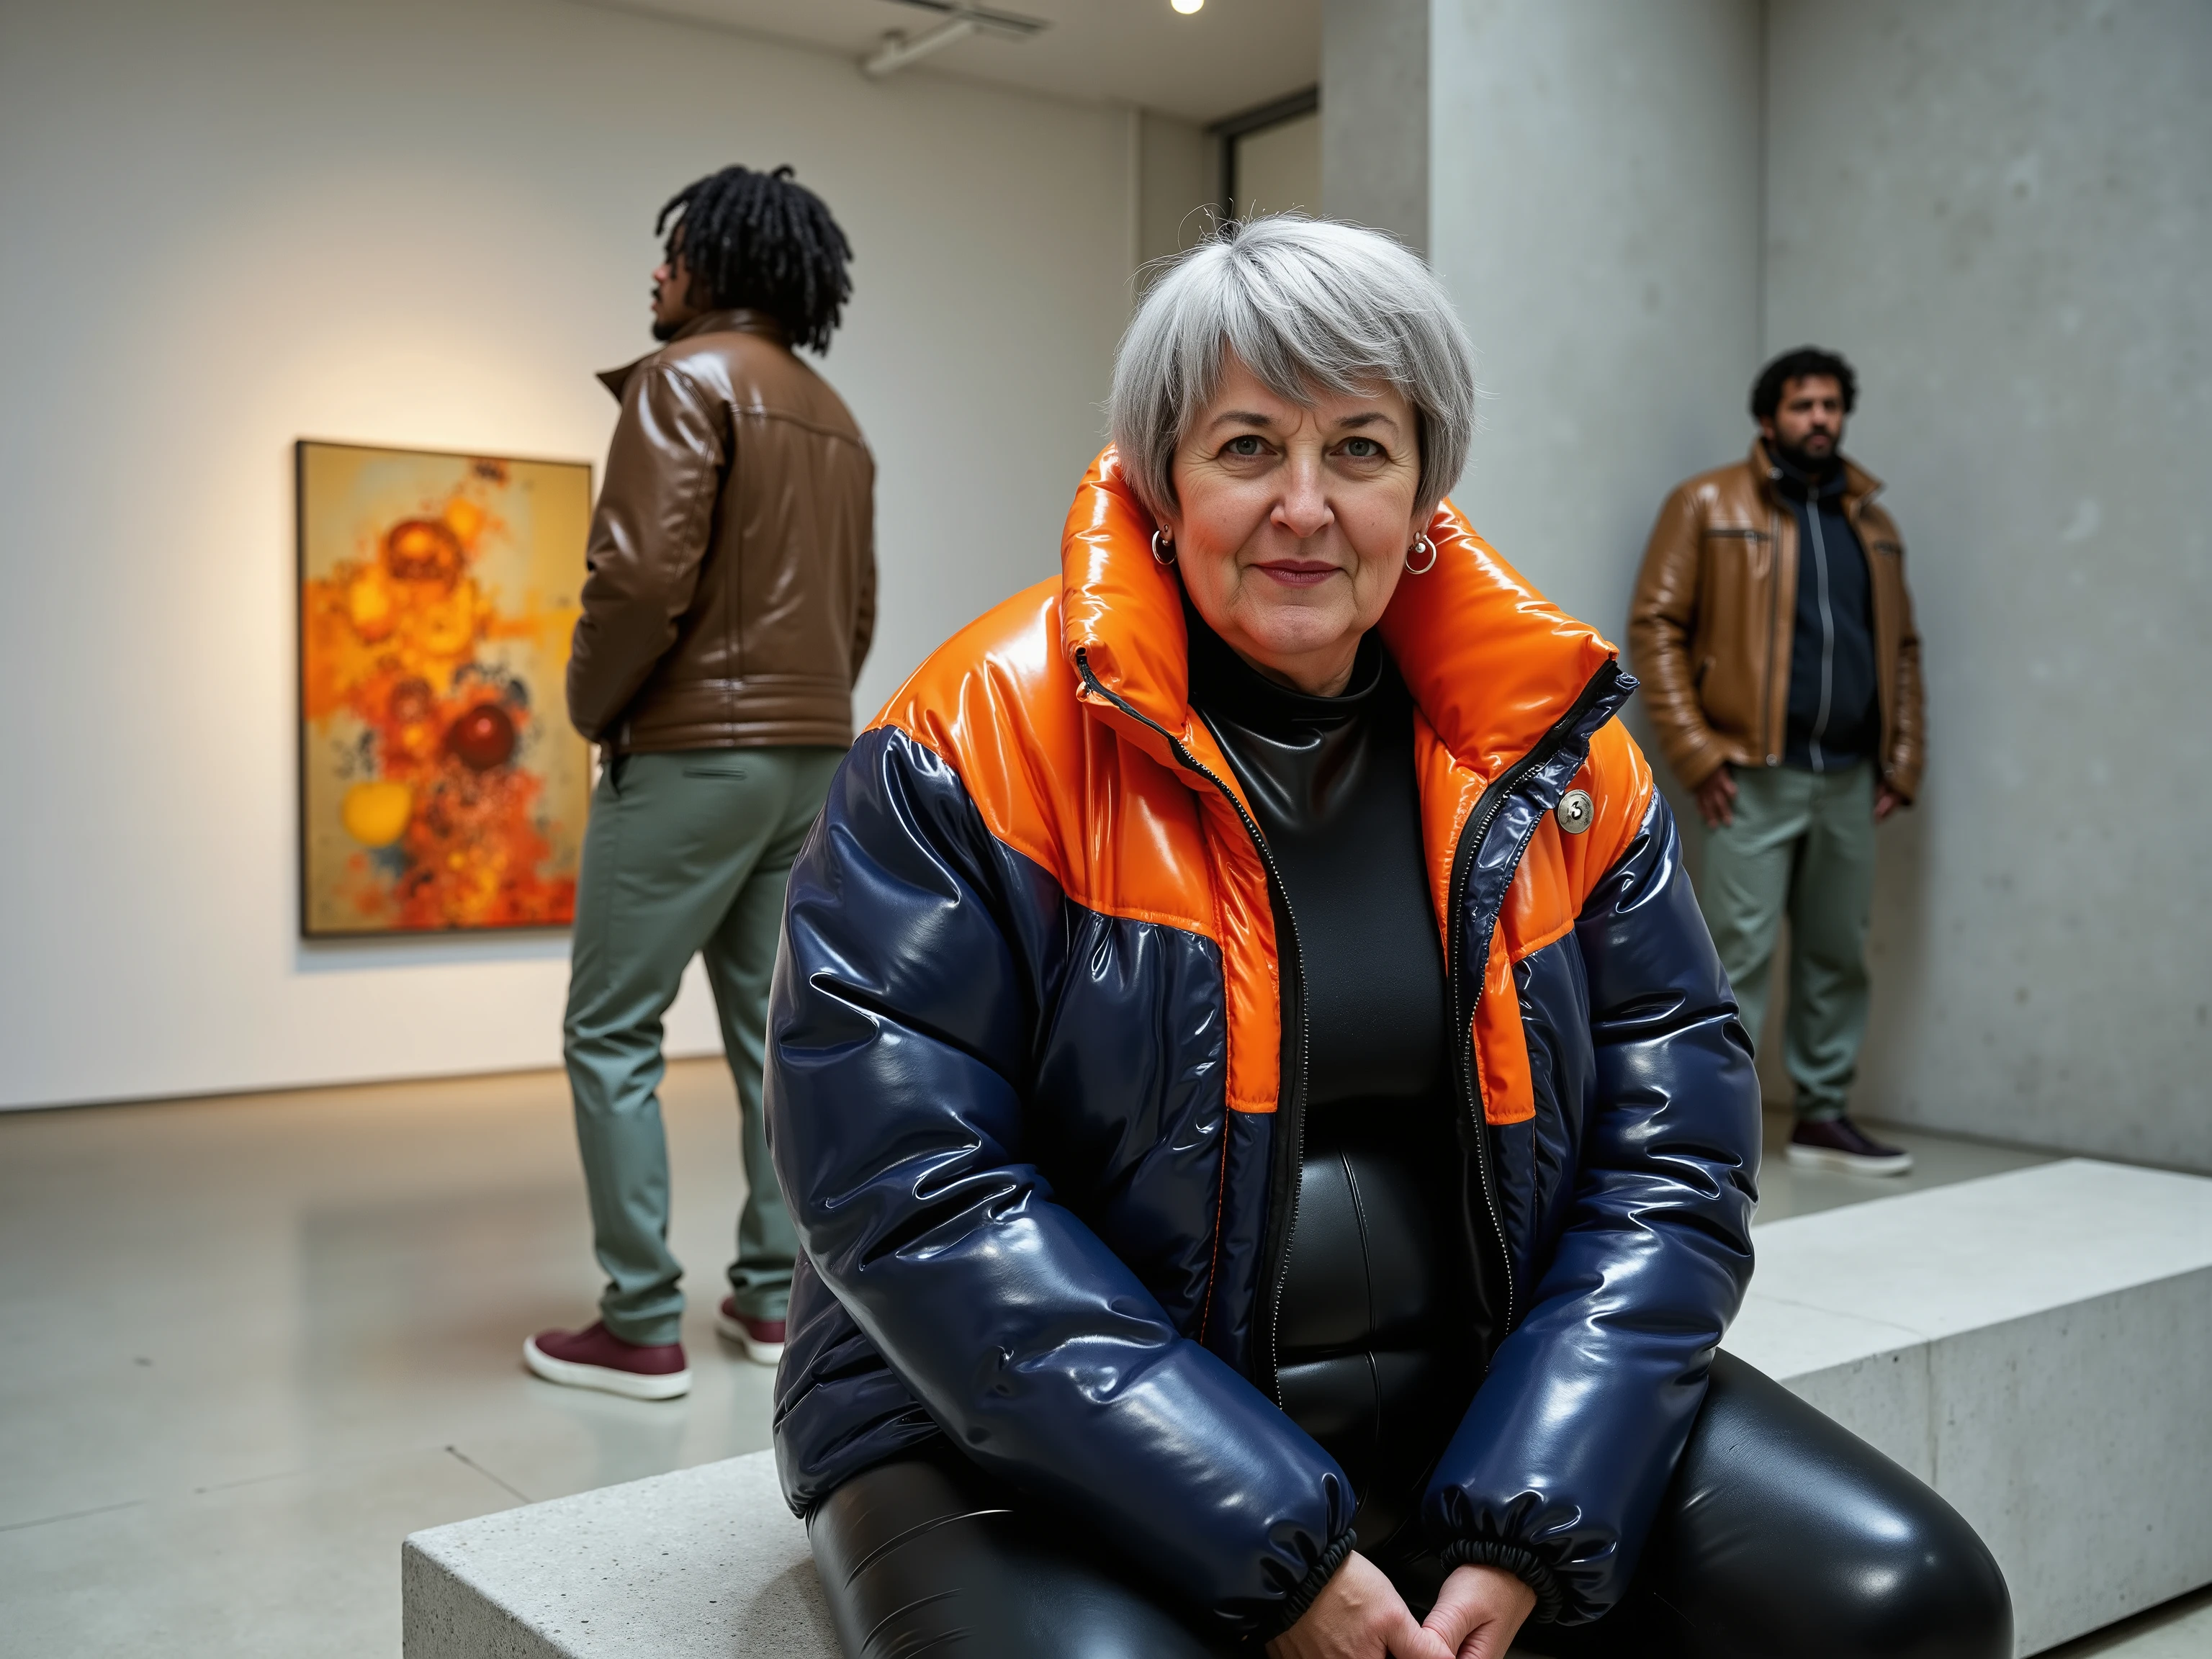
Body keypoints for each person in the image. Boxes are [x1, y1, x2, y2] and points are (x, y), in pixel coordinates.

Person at [765, 220, 2007, 1658]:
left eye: (1360, 448)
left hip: (1482, 1393)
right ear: (1163, 482)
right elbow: (913, 1193)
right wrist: (1274, 1547)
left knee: (1911, 1600)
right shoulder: (967, 741)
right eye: (1247, 447)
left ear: (1426, 490)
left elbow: (1674, 1148)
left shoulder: (1557, 750)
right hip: (1007, 1427)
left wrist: (1531, 1513)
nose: (1306, 504)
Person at [524, 164, 875, 1401]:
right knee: (774, 1033)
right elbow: (856, 608)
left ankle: (638, 1320)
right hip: (809, 758)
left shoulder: (680, 382)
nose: (656, 271)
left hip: (685, 751)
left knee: (609, 1026)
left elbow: (634, 578)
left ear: (719, 264)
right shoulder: (833, 415)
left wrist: (588, 705)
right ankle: (779, 1296)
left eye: (672, 250)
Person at [1629, 349, 1925, 1178]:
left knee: (1839, 950)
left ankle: (1823, 1117)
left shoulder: (1874, 527)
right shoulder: (1706, 504)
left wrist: (1901, 763)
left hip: (1849, 778)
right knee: (1736, 956)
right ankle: (1723, 1130)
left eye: (1831, 405)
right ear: (1769, 418)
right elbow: (1655, 627)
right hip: (1751, 777)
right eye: (1802, 405)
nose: (1819, 419)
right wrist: (1696, 753)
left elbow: (1901, 649)